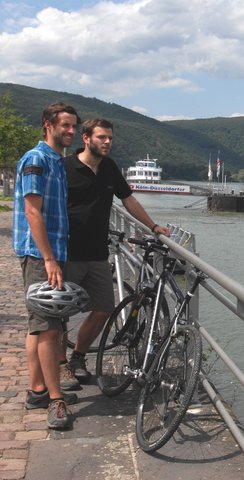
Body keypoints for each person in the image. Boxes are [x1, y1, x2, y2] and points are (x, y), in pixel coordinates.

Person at [63, 118, 170, 382]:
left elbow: (128, 200)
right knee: (59, 315)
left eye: (110, 137)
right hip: (67, 253)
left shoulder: (109, 168)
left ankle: (77, 357)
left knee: (103, 309)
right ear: (86, 138)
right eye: (102, 137)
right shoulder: (65, 167)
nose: (107, 142)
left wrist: (153, 226)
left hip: (98, 253)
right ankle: (58, 367)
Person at [13, 102, 81, 429]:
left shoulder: (57, 162)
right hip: (41, 255)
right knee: (49, 326)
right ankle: (56, 400)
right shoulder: (36, 160)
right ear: (48, 124)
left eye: (73, 127)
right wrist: (50, 259)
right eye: (64, 125)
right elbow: (32, 212)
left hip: (54, 252)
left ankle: (37, 390)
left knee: (39, 324)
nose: (70, 131)